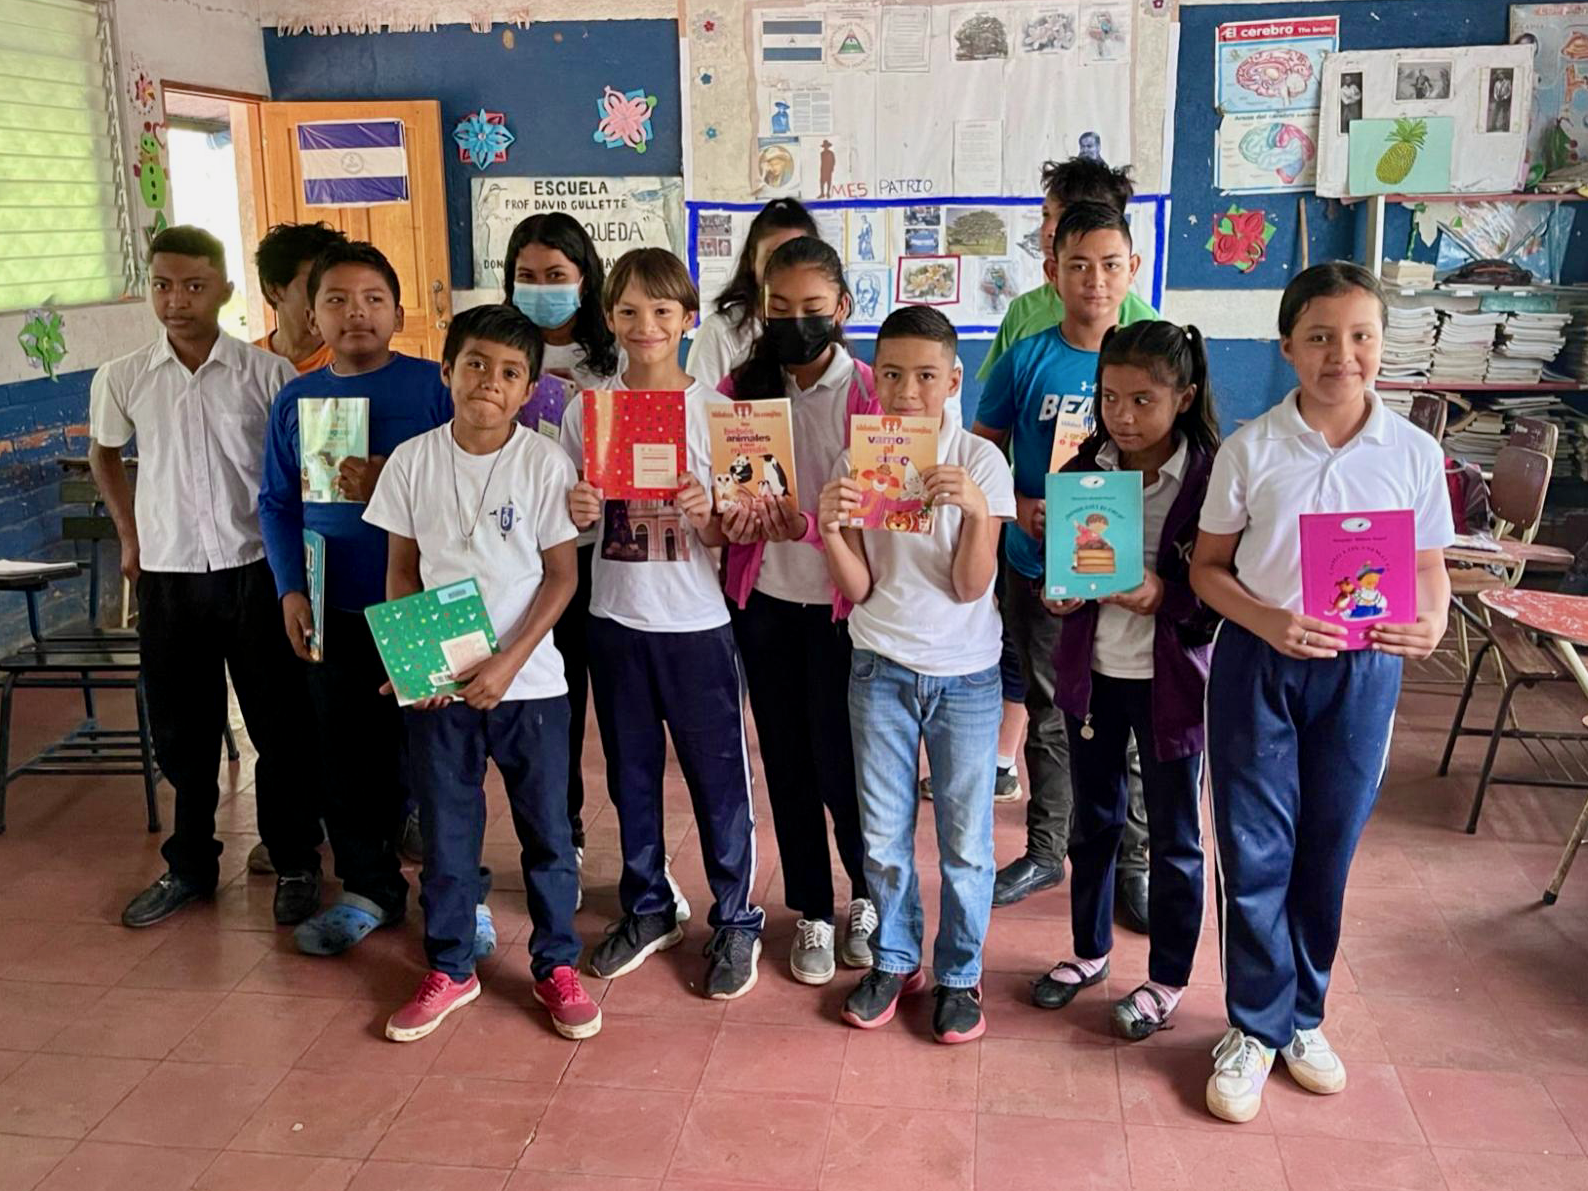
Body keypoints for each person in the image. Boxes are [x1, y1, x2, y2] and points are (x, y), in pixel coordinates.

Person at [1190, 262, 1453, 1123]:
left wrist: (1434, 623)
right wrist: (1267, 623)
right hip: (1261, 664)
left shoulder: (1413, 452)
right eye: (1321, 337)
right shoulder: (1251, 448)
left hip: (1363, 667)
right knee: (1254, 843)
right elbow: (1208, 571)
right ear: (1288, 348)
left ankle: (1304, 1015)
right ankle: (1253, 1026)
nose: (1343, 355)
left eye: (1361, 335)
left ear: (1382, 342)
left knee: (1327, 846)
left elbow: (1427, 571)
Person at [366, 303, 600, 1043]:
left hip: (529, 686)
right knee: (448, 832)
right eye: (474, 365)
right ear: (446, 370)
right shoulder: (412, 461)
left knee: (548, 834)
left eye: (508, 373)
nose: (488, 384)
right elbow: (401, 572)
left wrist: (508, 660)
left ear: (529, 388)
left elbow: (561, 577)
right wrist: (414, 663)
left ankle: (555, 963)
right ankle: (451, 965)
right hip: (439, 686)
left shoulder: (542, 463)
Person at [94, 226, 324, 930]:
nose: (176, 300)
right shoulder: (124, 375)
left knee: (278, 725)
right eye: (163, 284)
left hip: (256, 571)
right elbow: (106, 456)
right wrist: (131, 535)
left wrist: (297, 572)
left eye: (194, 285)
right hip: (169, 579)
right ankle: (190, 864)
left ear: (224, 290)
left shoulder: (268, 376)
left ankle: (295, 859)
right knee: (182, 731)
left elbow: (297, 475)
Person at [565, 248, 764, 1000]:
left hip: (697, 623)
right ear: (610, 319)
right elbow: (574, 521)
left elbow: (740, 535)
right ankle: (649, 904)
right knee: (630, 773)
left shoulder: (720, 414)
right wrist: (578, 509)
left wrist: (711, 515)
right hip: (615, 617)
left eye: (660, 311)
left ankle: (736, 914)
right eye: (627, 311)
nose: (644, 326)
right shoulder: (591, 411)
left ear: (687, 320)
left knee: (719, 782)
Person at [820, 305, 1016, 1044]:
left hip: (965, 677)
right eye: (892, 374)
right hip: (878, 668)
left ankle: (960, 973)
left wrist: (976, 513)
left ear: (952, 381)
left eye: (925, 376)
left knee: (966, 840)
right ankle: (896, 959)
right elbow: (861, 589)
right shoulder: (856, 459)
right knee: (882, 835)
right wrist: (831, 527)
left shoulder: (982, 462)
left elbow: (972, 587)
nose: (906, 391)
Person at [259, 239, 452, 956]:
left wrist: (399, 486)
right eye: (336, 300)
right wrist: (287, 588)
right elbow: (277, 503)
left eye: (372, 299)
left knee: (433, 752)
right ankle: (369, 888)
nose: (355, 313)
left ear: (398, 312)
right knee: (342, 756)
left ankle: (452, 893)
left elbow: (469, 484)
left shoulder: (434, 387)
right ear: (312, 314)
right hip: (331, 605)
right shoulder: (296, 398)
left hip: (418, 605)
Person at [1032, 320, 1218, 1040]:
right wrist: (1059, 593)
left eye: (1143, 399)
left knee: (1174, 834)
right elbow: (1062, 577)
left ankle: (1168, 977)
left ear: (1185, 396)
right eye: (1110, 398)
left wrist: (1161, 595)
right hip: (1096, 674)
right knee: (1094, 820)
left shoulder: (1208, 477)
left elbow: (1221, 588)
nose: (1125, 416)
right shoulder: (1085, 470)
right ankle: (1089, 951)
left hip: (1171, 683)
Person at [974, 201, 1152, 914]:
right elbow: (983, 445)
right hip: (1035, 563)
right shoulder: (1028, 356)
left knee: (1130, 711)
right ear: (1052, 272)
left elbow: (1181, 457)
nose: (1095, 281)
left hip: (1126, 571)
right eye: (1078, 265)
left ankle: (1132, 862)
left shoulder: (1152, 355)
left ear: (1132, 269)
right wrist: (1016, 507)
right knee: (1048, 708)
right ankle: (1047, 850)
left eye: (1111, 265)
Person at [716, 236, 877, 985]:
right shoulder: (738, 391)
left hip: (847, 612)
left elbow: (886, 507)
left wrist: (808, 525)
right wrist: (732, 521)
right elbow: (724, 499)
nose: (795, 322)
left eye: (812, 308)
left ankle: (869, 896)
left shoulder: (872, 395)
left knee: (847, 769)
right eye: (779, 308)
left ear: (842, 309)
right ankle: (812, 906)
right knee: (785, 761)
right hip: (768, 606)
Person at [501, 212, 627, 913]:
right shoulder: (497, 350)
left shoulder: (612, 364)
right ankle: (562, 833)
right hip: (516, 566)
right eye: (528, 276)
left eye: (556, 276)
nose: (541, 288)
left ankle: (636, 846)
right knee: (551, 714)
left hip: (598, 562)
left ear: (585, 280)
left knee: (605, 707)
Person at [977, 156, 1157, 384]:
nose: (1049, 229)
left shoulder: (1144, 323)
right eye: (1045, 215)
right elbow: (996, 401)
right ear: (1052, 271)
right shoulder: (1023, 312)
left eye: (1065, 217)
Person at [687, 198, 818, 393]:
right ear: (752, 259)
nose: (786, 269)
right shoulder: (720, 332)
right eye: (773, 256)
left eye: (797, 255)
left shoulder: (822, 328)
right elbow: (698, 411)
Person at [253, 221, 346, 375]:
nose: (331, 295)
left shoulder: (355, 362)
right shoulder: (243, 366)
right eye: (315, 282)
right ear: (274, 290)